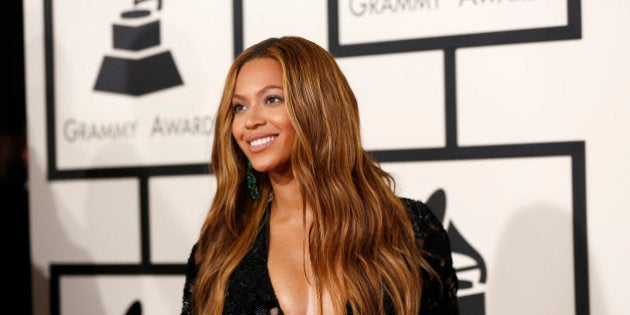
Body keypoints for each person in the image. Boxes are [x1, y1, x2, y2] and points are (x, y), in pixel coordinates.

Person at [180, 36, 459, 315]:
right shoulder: (221, 247)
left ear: (317, 107)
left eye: (272, 99)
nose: (249, 121)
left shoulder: (409, 230)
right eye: (239, 106)